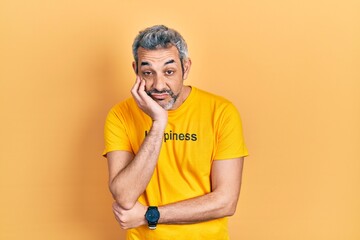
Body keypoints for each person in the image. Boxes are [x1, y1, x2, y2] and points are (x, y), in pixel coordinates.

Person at [103, 25, 248, 240]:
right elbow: (124, 196)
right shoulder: (120, 115)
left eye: (169, 72)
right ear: (136, 70)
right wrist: (159, 122)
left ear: (186, 68)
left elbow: (226, 202)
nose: (159, 85)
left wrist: (149, 216)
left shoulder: (222, 112)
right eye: (148, 73)